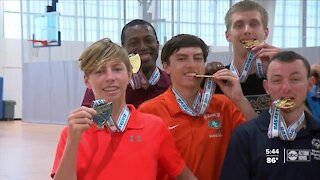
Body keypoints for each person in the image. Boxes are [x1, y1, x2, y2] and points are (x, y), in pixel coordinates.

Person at [51, 38, 197, 180]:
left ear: (128, 76)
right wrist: (73, 142)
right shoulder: (73, 133)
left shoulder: (155, 127)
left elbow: (182, 174)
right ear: (87, 81)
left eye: (117, 69)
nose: (110, 77)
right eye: (99, 71)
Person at [138, 34, 255, 180]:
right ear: (166, 66)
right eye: (182, 58)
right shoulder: (149, 111)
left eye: (198, 58)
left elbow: (257, 139)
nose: (191, 64)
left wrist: (239, 98)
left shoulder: (223, 104)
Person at [220, 51, 320, 180]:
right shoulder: (245, 136)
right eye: (277, 80)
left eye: (295, 79)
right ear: (267, 87)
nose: (286, 88)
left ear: (310, 84)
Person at [81, 19, 171, 108]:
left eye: (148, 40)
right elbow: (89, 119)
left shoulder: (172, 83)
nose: (143, 47)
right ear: (123, 48)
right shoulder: (107, 86)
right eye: (134, 43)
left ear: (157, 44)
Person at [212, 0, 281, 114]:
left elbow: (306, 126)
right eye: (239, 25)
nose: (247, 30)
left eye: (254, 24)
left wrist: (284, 70)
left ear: (266, 33)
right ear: (228, 35)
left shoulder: (279, 79)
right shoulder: (216, 82)